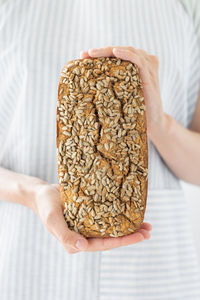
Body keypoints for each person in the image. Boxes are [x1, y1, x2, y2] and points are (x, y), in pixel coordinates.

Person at [0, 0, 200, 299]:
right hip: (30, 262)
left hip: (156, 270)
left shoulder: (189, 7)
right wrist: (32, 193)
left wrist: (159, 123)